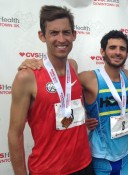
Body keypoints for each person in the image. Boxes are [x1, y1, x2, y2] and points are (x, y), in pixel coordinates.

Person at [8, 5, 93, 175]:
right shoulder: (27, 77)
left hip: (84, 165)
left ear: (74, 35)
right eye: (54, 33)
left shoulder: (73, 67)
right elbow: (15, 134)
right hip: (47, 170)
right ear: (42, 36)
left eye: (66, 32)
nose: (61, 39)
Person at [79, 30, 128, 175]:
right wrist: (81, 119)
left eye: (122, 49)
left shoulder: (126, 75)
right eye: (112, 47)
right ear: (102, 52)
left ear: (126, 54)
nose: (118, 52)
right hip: (101, 158)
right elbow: (63, 90)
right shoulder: (89, 78)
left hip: (125, 154)